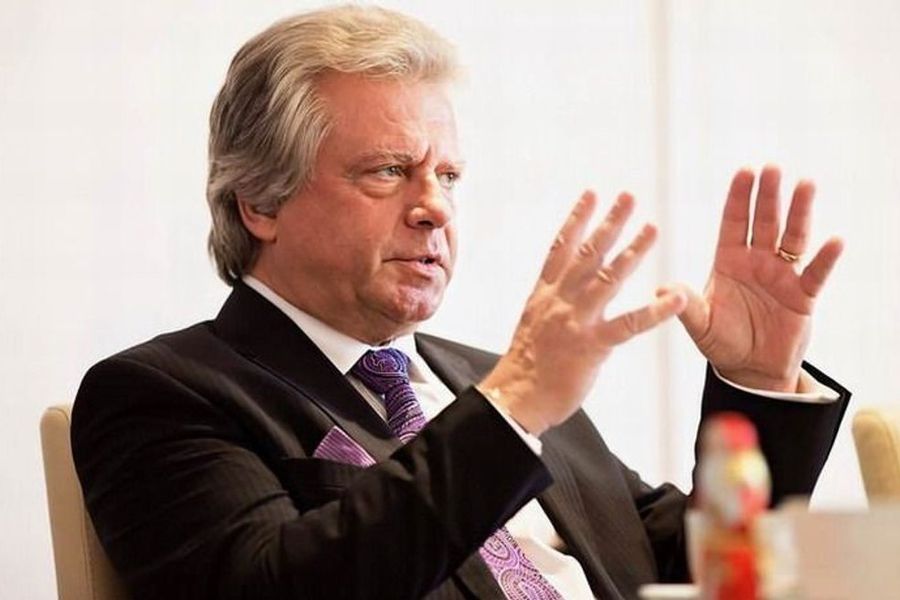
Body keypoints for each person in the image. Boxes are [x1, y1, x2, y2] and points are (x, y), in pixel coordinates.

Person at [71, 6, 850, 600]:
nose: (434, 208)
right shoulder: (162, 394)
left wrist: (759, 389)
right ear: (260, 203)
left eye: (447, 176)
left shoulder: (498, 379)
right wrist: (513, 404)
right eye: (388, 171)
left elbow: (695, 574)